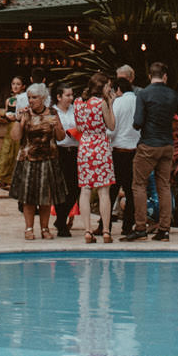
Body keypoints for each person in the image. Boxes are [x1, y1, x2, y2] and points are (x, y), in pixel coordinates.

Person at [121, 62, 178, 242]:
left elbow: (137, 122)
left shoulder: (143, 94)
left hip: (148, 145)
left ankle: (141, 227)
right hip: (167, 146)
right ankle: (164, 230)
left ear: (150, 76)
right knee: (164, 186)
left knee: (139, 185)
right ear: (165, 76)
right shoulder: (172, 95)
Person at [10, 84, 64, 240]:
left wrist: (57, 126)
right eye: (29, 98)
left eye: (34, 98)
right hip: (29, 159)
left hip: (48, 159)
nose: (31, 101)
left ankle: (45, 228)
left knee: (45, 197)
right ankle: (28, 228)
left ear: (43, 98)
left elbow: (61, 137)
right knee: (29, 197)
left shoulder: (53, 113)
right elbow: (15, 137)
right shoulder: (26, 114)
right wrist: (17, 119)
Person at [73, 74, 116, 242]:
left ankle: (87, 231)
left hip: (85, 146)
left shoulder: (78, 102)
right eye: (108, 86)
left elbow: (78, 126)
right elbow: (111, 125)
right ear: (102, 87)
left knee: (85, 189)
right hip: (100, 146)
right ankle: (106, 231)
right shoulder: (101, 103)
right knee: (103, 190)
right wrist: (111, 105)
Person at [109, 66, 140, 236]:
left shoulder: (117, 103)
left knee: (112, 189)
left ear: (118, 89)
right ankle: (127, 226)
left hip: (118, 150)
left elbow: (111, 129)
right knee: (131, 190)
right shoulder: (137, 100)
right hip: (134, 150)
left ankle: (104, 225)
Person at [0, 75, 28, 199]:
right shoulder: (9, 100)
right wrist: (5, 116)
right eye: (13, 84)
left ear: (23, 86)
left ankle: (15, 186)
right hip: (11, 129)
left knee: (19, 156)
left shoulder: (26, 99)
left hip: (22, 128)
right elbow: (5, 114)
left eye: (18, 84)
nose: (15, 86)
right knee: (5, 156)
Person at [53, 84, 81, 237]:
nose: (71, 98)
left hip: (75, 150)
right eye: (67, 95)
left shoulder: (75, 110)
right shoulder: (53, 111)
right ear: (59, 97)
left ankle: (61, 218)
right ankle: (61, 222)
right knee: (60, 188)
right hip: (60, 151)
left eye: (71, 95)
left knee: (75, 187)